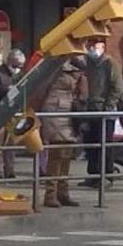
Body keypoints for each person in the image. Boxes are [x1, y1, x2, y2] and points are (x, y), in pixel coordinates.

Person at [34, 57, 86, 208]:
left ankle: (63, 192)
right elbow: (41, 89)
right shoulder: (56, 66)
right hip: (55, 111)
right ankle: (50, 194)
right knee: (57, 153)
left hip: (69, 112)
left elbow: (83, 93)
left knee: (67, 154)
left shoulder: (79, 67)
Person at [81, 38, 123, 188]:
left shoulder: (110, 64)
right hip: (91, 109)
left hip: (105, 110)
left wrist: (108, 106)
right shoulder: (90, 63)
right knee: (91, 145)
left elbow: (118, 87)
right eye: (90, 45)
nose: (92, 48)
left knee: (105, 145)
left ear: (103, 47)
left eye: (95, 45)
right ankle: (93, 175)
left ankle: (107, 176)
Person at [0, 48, 26, 179]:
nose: (17, 69)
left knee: (11, 142)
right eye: (15, 65)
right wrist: (6, 90)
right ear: (9, 62)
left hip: (13, 112)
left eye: (20, 66)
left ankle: (10, 170)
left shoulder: (20, 75)